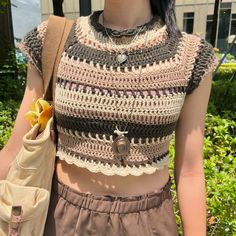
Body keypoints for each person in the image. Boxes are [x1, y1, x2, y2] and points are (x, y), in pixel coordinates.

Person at [0, 0, 219, 235]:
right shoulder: (52, 40)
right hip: (62, 220)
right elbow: (15, 150)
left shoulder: (191, 56)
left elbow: (190, 171)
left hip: (149, 224)